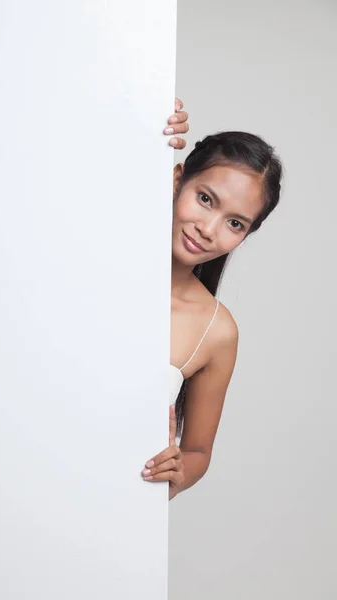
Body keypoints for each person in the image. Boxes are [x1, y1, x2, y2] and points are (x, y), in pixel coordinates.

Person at [142, 99, 283, 500]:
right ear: (176, 179)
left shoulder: (216, 330)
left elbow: (199, 451)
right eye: (206, 198)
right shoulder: (92, 252)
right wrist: (144, 118)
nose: (208, 229)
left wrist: (179, 470)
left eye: (234, 223)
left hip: (111, 517)